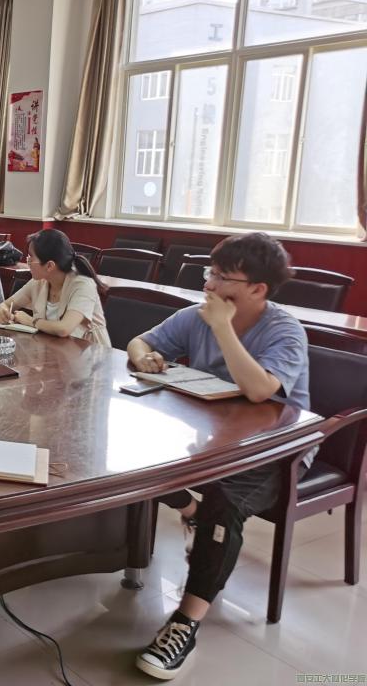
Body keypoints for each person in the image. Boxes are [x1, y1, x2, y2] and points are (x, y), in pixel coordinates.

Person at [126, 232, 310, 680]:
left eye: (223, 277)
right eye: (211, 273)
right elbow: (139, 342)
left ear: (258, 289)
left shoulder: (284, 331)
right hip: (216, 437)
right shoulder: (197, 315)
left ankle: (185, 623)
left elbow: (260, 389)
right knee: (135, 458)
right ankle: (193, 511)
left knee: (224, 506)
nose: (208, 284)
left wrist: (223, 328)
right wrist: (146, 357)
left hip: (276, 450)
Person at [0, 228, 110, 346]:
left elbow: (64, 329)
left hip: (91, 352)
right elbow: (5, 305)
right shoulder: (39, 282)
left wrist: (31, 321)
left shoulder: (83, 285)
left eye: (31, 258)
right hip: (57, 349)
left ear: (49, 266)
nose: (27, 262)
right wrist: (3, 311)